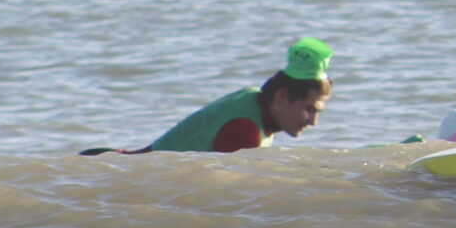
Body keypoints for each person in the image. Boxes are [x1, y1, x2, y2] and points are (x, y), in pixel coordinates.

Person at [127, 37, 334, 153]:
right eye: (308, 109)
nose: (313, 121)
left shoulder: (252, 98)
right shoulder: (245, 129)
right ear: (281, 97)